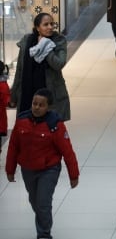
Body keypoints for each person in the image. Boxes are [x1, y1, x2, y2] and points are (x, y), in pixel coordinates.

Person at [5, 88, 79, 239]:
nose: (37, 107)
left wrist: (74, 174)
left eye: (41, 105)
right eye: (34, 104)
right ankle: (44, 223)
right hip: (28, 169)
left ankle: (44, 234)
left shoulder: (55, 125)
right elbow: (13, 146)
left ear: (49, 107)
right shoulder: (22, 121)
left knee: (43, 203)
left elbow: (67, 151)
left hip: (49, 169)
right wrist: (10, 169)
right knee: (34, 201)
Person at [9, 13, 70, 121]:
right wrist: (13, 95)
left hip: (50, 93)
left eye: (52, 24)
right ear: (37, 27)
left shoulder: (58, 40)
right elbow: (20, 70)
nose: (50, 27)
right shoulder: (27, 41)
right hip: (28, 91)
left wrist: (45, 46)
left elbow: (59, 64)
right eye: (46, 24)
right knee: (27, 127)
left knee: (49, 127)